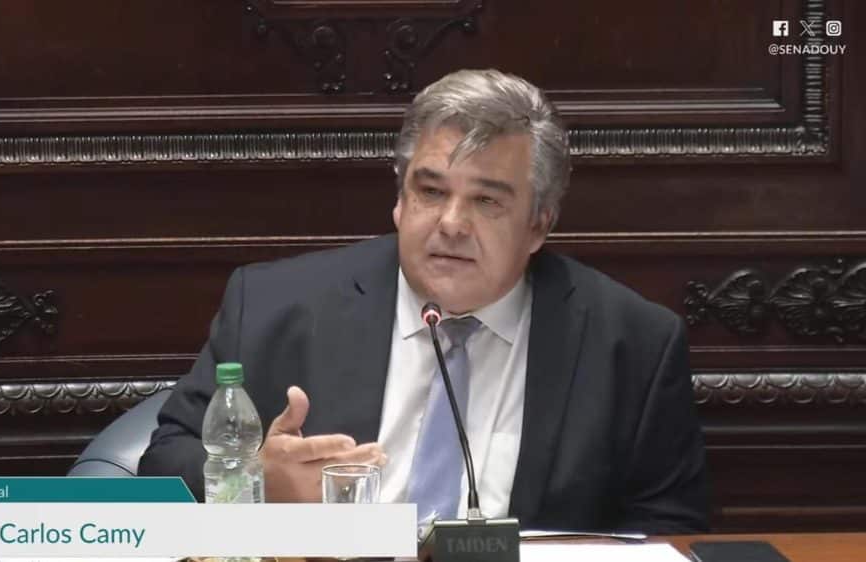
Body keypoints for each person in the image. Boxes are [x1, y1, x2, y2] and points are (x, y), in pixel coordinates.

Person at [139, 69, 708, 534]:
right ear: (399, 198)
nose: (451, 224)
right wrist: (255, 483)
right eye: (431, 191)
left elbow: (669, 529)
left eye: (487, 201)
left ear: (539, 224)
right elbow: (164, 463)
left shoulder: (632, 344)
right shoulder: (275, 306)